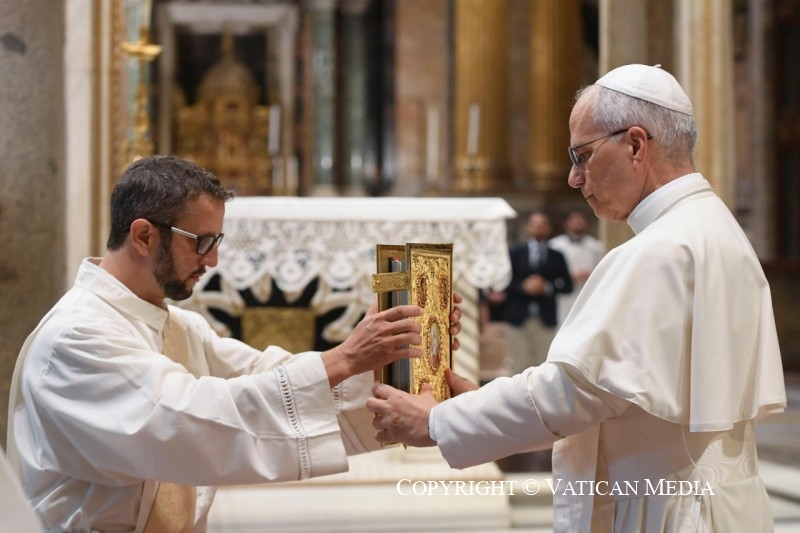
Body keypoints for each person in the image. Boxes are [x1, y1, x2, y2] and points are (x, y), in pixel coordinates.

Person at [367, 64, 786, 532]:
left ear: (634, 145)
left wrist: (438, 422)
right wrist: (479, 401)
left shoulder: (660, 248)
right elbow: (613, 390)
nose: (573, 177)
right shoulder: (714, 227)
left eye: (581, 155)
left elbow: (573, 393)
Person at [6, 155, 462, 532]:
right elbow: (191, 419)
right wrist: (344, 358)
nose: (214, 259)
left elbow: (261, 374)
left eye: (216, 240)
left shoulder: (174, 325)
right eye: (201, 241)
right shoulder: (77, 337)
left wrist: (394, 367)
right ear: (144, 235)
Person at [504, 211, 572, 375]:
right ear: (528, 227)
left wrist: (547, 287)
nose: (538, 228)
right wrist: (523, 286)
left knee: (543, 365)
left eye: (542, 225)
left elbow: (567, 285)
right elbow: (504, 283)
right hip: (519, 317)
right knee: (518, 364)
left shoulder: (557, 256)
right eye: (535, 225)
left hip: (545, 317)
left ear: (548, 229)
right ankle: (517, 400)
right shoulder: (515, 253)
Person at [548, 209, 605, 326]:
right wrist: (568, 276)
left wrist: (590, 274)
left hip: (587, 292)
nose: (577, 223)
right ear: (566, 224)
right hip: (563, 294)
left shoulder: (596, 246)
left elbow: (602, 269)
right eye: (573, 220)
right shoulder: (555, 245)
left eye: (580, 220)